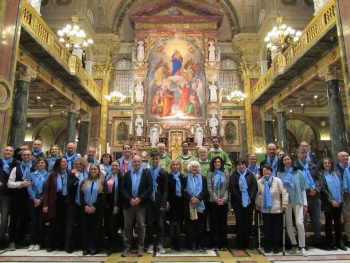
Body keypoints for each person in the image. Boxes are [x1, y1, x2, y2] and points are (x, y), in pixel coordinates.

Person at [120, 155, 153, 257]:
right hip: (128, 203)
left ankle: (140, 246)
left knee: (141, 226)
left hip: (141, 203)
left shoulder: (146, 173)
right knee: (127, 226)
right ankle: (127, 246)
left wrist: (140, 198)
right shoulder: (127, 174)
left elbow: (149, 188)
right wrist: (129, 199)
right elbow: (122, 188)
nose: (137, 163)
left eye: (138, 161)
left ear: (141, 163)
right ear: (132, 163)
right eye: (135, 161)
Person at [277, 154, 308, 257]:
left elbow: (303, 189)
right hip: (286, 202)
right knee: (289, 224)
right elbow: (279, 189)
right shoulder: (280, 174)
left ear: (292, 160)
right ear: (282, 162)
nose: (287, 161)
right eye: (285, 160)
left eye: (288, 159)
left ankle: (302, 246)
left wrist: (305, 204)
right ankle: (294, 244)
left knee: (299, 223)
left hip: (298, 200)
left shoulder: (299, 173)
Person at [255, 163, 288, 254]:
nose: (266, 172)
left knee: (276, 229)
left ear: (271, 171)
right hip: (265, 208)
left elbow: (284, 192)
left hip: (276, 208)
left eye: (268, 170)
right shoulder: (259, 182)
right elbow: (258, 194)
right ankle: (268, 245)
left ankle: (276, 246)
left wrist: (284, 203)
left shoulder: (277, 180)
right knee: (267, 228)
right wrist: (257, 203)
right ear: (262, 172)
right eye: (264, 170)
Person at [295, 147, 323, 248]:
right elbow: (296, 182)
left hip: (315, 196)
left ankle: (318, 240)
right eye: (302, 153)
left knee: (316, 220)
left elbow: (320, 179)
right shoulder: (295, 167)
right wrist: (307, 190)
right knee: (303, 220)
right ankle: (303, 242)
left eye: (306, 153)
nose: (304, 155)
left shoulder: (313, 166)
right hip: (302, 196)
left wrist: (316, 189)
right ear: (297, 154)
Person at [43, 158, 71, 252]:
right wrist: (45, 204)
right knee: (53, 224)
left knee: (63, 224)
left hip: (65, 201)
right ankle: (50, 244)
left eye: (66, 162)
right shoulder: (53, 174)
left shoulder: (69, 173)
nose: (65, 163)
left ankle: (61, 244)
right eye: (63, 162)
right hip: (54, 201)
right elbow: (46, 190)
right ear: (59, 164)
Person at [7, 149, 33, 251]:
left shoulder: (34, 168)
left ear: (31, 156)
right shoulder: (15, 169)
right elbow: (9, 183)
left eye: (28, 155)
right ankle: (12, 241)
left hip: (28, 198)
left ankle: (20, 239)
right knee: (14, 220)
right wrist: (20, 184)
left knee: (25, 219)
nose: (26, 157)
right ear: (21, 157)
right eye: (24, 155)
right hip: (17, 198)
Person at [319, 157, 347, 251]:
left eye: (329, 162)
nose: (327, 164)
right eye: (325, 163)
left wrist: (340, 199)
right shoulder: (321, 174)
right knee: (329, 223)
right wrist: (331, 199)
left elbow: (341, 186)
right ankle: (330, 242)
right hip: (328, 203)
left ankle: (339, 241)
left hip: (339, 201)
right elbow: (322, 188)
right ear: (322, 165)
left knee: (338, 222)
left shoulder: (336, 173)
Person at [229, 158, 257, 250]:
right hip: (238, 203)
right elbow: (232, 188)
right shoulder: (234, 175)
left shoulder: (250, 174)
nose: (241, 166)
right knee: (240, 223)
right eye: (239, 165)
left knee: (248, 222)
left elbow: (254, 186)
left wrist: (251, 197)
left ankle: (247, 242)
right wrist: (240, 199)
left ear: (245, 165)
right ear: (236, 166)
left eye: (243, 164)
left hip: (249, 202)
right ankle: (240, 243)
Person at [80, 164, 107, 255]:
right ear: (89, 170)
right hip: (85, 209)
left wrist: (94, 206)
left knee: (96, 229)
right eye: (91, 169)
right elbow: (81, 195)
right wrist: (85, 206)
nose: (93, 171)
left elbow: (103, 196)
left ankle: (94, 248)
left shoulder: (102, 181)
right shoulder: (84, 181)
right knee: (85, 229)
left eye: (95, 169)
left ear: (98, 170)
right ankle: (85, 248)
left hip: (97, 210)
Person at [182, 160, 208, 252]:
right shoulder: (185, 178)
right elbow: (183, 191)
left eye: (196, 167)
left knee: (200, 226)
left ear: (198, 168)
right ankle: (191, 244)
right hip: (189, 204)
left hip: (200, 205)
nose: (194, 168)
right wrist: (190, 198)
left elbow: (205, 190)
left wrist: (198, 198)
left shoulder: (203, 178)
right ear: (189, 168)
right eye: (192, 166)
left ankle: (200, 245)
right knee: (190, 226)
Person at [146, 152, 168, 254]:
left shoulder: (163, 172)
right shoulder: (147, 172)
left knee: (160, 224)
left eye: (157, 159)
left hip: (159, 202)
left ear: (159, 160)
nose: (155, 161)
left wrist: (163, 203)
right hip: (149, 202)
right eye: (153, 159)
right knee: (149, 224)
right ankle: (150, 244)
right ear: (150, 159)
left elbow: (165, 189)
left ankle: (159, 243)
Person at [65, 157, 88, 253]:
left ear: (84, 165)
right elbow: (69, 186)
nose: (78, 165)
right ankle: (69, 246)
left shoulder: (87, 174)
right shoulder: (71, 174)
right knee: (71, 224)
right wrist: (75, 177)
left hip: (83, 203)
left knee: (82, 224)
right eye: (77, 164)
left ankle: (80, 244)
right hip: (73, 202)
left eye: (80, 164)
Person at [207, 156, 229, 251]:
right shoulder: (210, 174)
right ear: (213, 163)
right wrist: (216, 199)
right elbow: (209, 188)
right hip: (213, 202)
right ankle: (214, 244)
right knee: (214, 223)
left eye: (219, 162)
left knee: (223, 223)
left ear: (221, 163)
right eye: (215, 162)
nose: (217, 163)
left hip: (223, 202)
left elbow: (228, 188)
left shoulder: (226, 174)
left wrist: (223, 199)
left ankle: (223, 244)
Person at [27, 158, 49, 251]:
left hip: (43, 201)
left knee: (40, 222)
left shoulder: (49, 175)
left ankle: (39, 242)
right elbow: (29, 187)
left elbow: (47, 189)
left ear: (45, 164)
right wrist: (34, 199)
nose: (40, 164)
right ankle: (32, 242)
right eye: (39, 163)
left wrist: (40, 199)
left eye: (42, 163)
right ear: (36, 164)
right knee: (33, 222)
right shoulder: (31, 174)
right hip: (32, 201)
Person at [0, 146, 18, 249]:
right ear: (3, 151)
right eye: (6, 150)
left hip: (8, 194)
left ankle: (1, 239)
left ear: (13, 153)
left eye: (10, 151)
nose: (8, 152)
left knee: (4, 218)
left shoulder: (15, 164)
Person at [104, 161, 123, 255]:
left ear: (119, 167)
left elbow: (121, 192)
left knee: (113, 226)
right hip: (107, 203)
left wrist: (117, 205)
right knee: (108, 225)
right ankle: (109, 244)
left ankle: (113, 246)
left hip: (116, 204)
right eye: (113, 165)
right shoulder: (107, 176)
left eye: (116, 165)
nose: (114, 167)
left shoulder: (120, 177)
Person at [166, 160, 184, 251]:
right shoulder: (168, 177)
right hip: (171, 201)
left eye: (177, 165)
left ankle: (177, 241)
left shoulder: (182, 177)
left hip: (180, 202)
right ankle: (173, 241)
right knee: (172, 221)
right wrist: (167, 201)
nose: (175, 166)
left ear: (179, 166)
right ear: (171, 166)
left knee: (179, 221)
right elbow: (166, 190)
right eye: (174, 165)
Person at [335, 151, 350, 245]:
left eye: (347, 156)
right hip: (339, 195)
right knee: (346, 217)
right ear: (338, 158)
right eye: (343, 156)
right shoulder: (335, 168)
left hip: (349, 193)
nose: (345, 157)